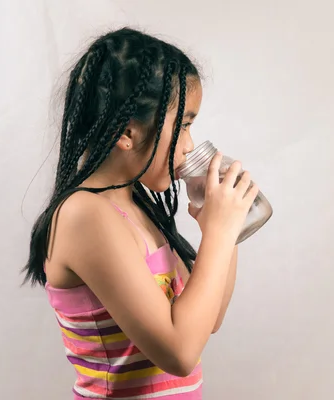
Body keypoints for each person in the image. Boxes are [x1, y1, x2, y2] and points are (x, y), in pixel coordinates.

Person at [23, 27, 258, 399]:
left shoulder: (137, 208)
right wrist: (218, 234)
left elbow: (207, 320)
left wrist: (227, 228)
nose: (190, 146)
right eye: (183, 125)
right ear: (128, 131)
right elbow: (179, 352)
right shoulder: (86, 215)